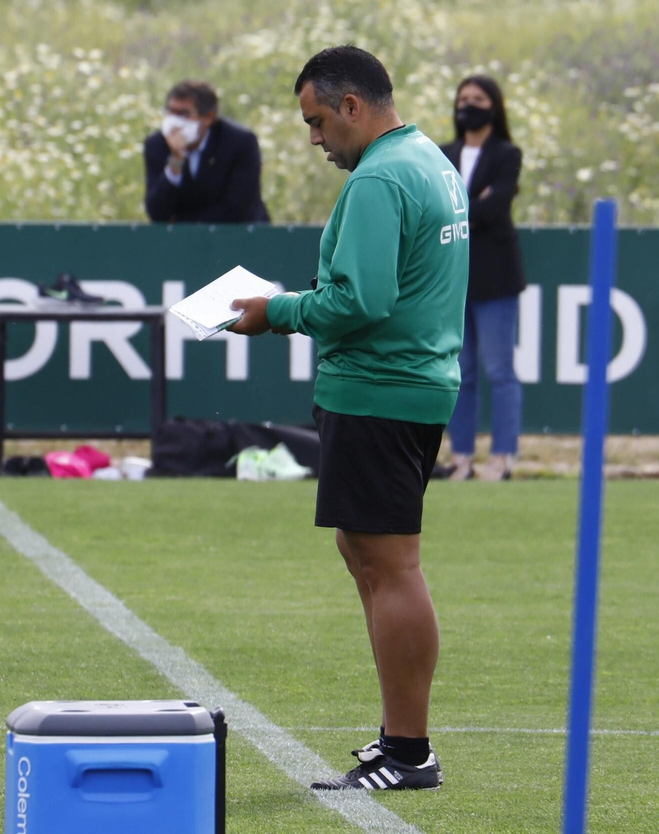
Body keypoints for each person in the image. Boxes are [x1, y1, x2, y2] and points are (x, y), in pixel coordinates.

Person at [228, 45, 465, 792]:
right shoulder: (427, 157)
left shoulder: (381, 178)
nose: (316, 138)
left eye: (319, 121)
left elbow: (362, 301)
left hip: (380, 391)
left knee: (390, 567)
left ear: (353, 106)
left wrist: (276, 313)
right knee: (368, 557)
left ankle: (410, 751)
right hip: (404, 387)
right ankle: (401, 738)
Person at [440, 75, 526, 481]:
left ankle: (503, 456)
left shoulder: (507, 154)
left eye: (477, 98)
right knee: (461, 371)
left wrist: (465, 207)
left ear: (494, 106)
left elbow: (494, 210)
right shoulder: (444, 153)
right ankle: (461, 456)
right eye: (463, 98)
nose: (468, 105)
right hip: (455, 278)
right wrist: (478, 201)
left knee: (499, 370)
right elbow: (440, 208)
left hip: (496, 279)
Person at [143, 80, 270, 224]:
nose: (174, 122)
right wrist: (176, 162)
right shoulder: (157, 144)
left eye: (184, 114)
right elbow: (157, 212)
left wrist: (180, 221)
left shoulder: (240, 142)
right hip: (183, 241)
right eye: (170, 112)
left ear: (208, 117)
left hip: (240, 236)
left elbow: (237, 207)